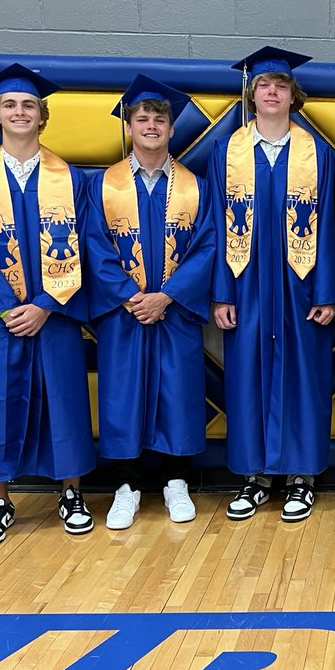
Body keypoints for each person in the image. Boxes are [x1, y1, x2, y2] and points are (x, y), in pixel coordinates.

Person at [0, 63, 94, 547]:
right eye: (10, 105)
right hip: (0, 318)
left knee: (64, 399)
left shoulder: (70, 179)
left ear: (41, 115)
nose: (20, 112)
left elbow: (86, 246)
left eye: (29, 105)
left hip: (55, 313)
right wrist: (10, 307)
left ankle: (71, 493)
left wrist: (48, 304)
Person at [209, 47, 335, 522]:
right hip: (246, 287)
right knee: (247, 375)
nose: (271, 91)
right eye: (263, 84)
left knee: (304, 376)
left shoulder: (317, 154)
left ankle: (302, 477)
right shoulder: (227, 152)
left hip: (301, 286)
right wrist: (222, 290)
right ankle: (255, 477)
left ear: (293, 95)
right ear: (251, 94)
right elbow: (215, 226)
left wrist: (326, 290)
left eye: (280, 85)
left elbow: (329, 224)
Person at [84, 75, 216, 530]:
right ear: (129, 126)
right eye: (142, 118)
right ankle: (126, 487)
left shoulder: (195, 187)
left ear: (172, 128)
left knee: (177, 392)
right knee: (123, 394)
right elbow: (92, 246)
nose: (152, 125)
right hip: (124, 313)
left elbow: (207, 246)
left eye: (160, 118)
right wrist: (129, 296)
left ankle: (176, 481)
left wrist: (168, 296)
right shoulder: (103, 185)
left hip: (174, 310)